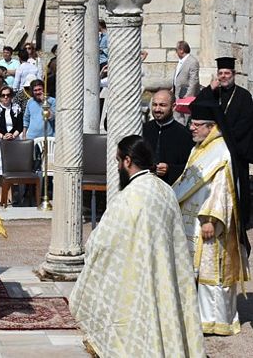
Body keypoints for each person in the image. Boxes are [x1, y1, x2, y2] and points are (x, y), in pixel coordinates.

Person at [70, 135, 204, 357]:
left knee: (135, 328)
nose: (118, 166)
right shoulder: (165, 190)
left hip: (137, 277)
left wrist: (92, 251)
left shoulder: (128, 197)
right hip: (165, 276)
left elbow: (101, 243)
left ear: (128, 161)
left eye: (118, 161)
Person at [172, 99, 249, 335]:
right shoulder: (199, 148)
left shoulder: (222, 150)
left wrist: (211, 219)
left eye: (197, 124)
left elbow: (223, 189)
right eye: (192, 123)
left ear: (211, 126)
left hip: (210, 223)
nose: (192, 128)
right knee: (195, 269)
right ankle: (197, 315)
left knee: (212, 270)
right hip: (192, 220)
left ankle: (217, 321)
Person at [197, 56, 253, 231]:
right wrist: (208, 89)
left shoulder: (244, 96)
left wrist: (224, 138)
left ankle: (241, 220)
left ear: (234, 74)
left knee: (238, 184)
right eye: (220, 73)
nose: (223, 76)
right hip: (215, 150)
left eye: (227, 73)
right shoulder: (213, 93)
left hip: (236, 148)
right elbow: (197, 107)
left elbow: (246, 123)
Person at [142, 90, 193, 185]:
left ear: (173, 107)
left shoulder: (184, 134)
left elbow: (190, 166)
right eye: (154, 105)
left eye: (162, 105)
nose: (157, 109)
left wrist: (170, 169)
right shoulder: (143, 130)